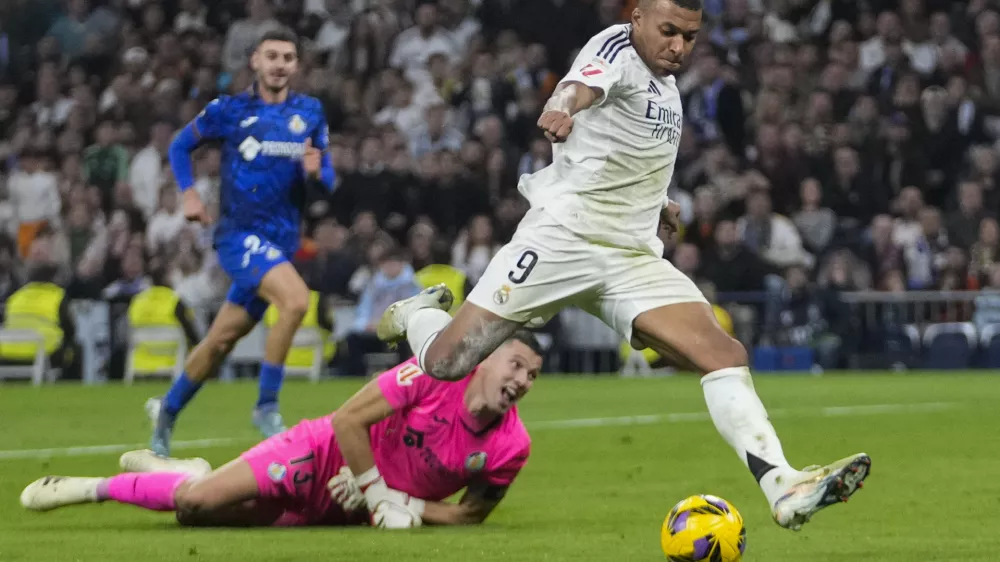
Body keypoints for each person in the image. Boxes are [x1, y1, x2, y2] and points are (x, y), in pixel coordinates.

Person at [376, 0, 869, 532]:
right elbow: (581, 87)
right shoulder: (615, 47)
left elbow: (624, 150)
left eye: (690, 36)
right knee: (449, 361)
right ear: (636, 19)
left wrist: (659, 202)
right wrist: (563, 105)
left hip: (630, 257)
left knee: (723, 352)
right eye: (669, 32)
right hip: (562, 239)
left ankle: (783, 486)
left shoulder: (668, 84)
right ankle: (414, 315)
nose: (679, 46)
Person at [19, 331, 543, 530]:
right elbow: (347, 420)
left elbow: (470, 514)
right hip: (319, 454)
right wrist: (378, 492)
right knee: (196, 503)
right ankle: (89, 489)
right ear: (488, 357)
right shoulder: (431, 373)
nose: (521, 381)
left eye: (533, 375)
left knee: (196, 519)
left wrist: (402, 506)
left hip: (349, 506)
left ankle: (186, 469)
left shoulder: (511, 446)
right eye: (516, 365)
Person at [148, 28, 336, 456]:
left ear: (296, 66)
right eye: (271, 55)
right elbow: (180, 146)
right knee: (295, 302)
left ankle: (168, 410)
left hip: (280, 242)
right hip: (238, 237)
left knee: (218, 342)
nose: (279, 64)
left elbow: (326, 181)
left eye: (288, 57)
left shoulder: (309, 113)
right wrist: (190, 193)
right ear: (255, 61)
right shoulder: (229, 110)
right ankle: (266, 406)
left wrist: (315, 173)